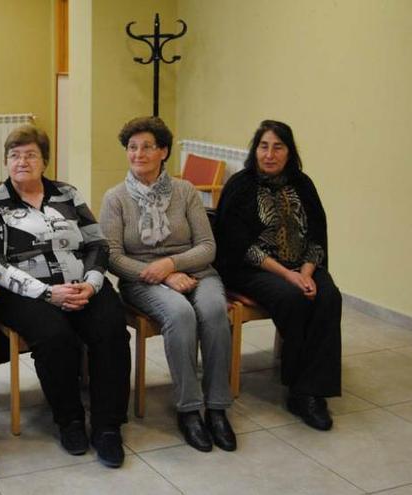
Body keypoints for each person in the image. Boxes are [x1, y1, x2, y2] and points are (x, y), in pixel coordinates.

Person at [0, 124, 130, 468]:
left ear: (45, 160)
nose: (22, 161)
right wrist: (47, 293)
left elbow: (97, 243)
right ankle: (70, 419)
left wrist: (90, 283)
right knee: (55, 336)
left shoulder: (67, 194)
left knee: (112, 329)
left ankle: (107, 426)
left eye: (31, 154)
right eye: (14, 155)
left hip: (80, 284)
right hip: (25, 292)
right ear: (6, 162)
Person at [100, 116, 236, 453]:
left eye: (147, 146)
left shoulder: (185, 191)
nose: (138, 153)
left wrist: (172, 264)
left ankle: (217, 407)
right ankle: (189, 409)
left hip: (197, 271)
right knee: (180, 314)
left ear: (163, 152)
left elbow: (207, 246)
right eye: (132, 147)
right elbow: (113, 257)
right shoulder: (115, 198)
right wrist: (160, 274)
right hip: (141, 278)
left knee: (214, 310)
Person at [214, 119, 341, 431]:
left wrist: (308, 272)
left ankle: (312, 389)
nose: (269, 154)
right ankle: (301, 389)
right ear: (255, 150)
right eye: (263, 146)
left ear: (289, 152)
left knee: (329, 297)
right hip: (253, 268)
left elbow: (317, 235)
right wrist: (290, 275)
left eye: (278, 147)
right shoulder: (241, 185)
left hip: (304, 265)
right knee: (292, 297)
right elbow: (239, 245)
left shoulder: (303, 184)